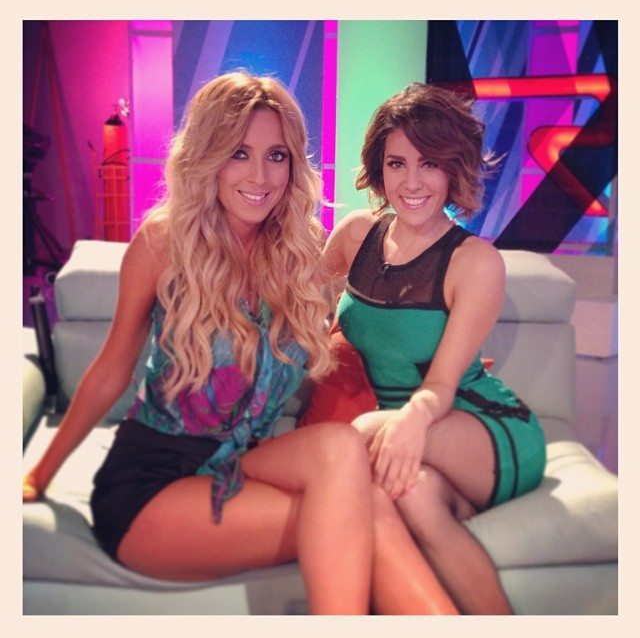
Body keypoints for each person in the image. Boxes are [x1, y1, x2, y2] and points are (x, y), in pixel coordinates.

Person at [22, 72, 459, 615]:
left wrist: (437, 367)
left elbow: (364, 314)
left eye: (276, 156)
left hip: (243, 464)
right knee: (362, 509)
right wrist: (38, 475)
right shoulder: (164, 244)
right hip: (152, 482)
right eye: (238, 153)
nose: (260, 176)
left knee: (341, 449)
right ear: (207, 157)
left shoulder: (297, 252)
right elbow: (111, 370)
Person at [322, 82, 547, 615]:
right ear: (379, 168)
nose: (412, 182)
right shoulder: (355, 235)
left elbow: (442, 386)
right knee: (414, 497)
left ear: (453, 168)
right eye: (397, 163)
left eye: (429, 163)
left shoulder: (475, 262)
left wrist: (406, 421)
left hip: (480, 426)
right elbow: (299, 311)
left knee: (353, 439)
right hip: (405, 436)